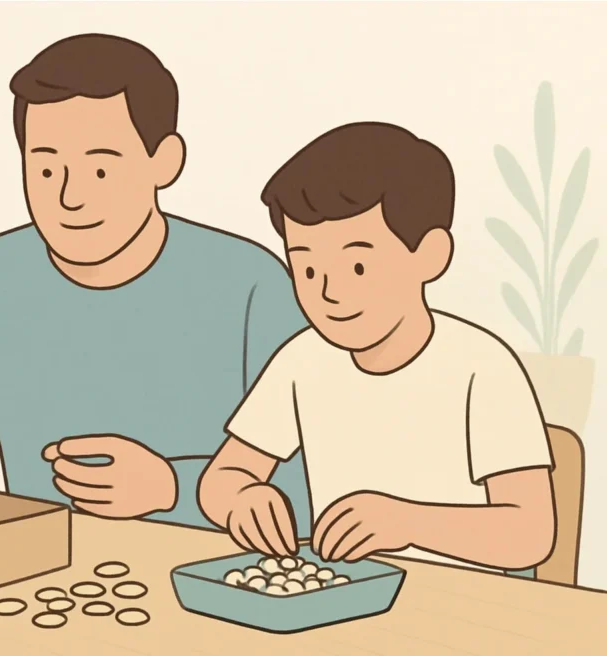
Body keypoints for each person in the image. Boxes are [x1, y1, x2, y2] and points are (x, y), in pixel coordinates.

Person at [0, 33, 310, 530]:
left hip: (213, 582)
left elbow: (313, 487)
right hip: (40, 576)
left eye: (101, 169)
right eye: (44, 169)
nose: (69, 197)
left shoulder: (251, 287)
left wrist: (173, 488)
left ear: (165, 161)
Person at [199, 122, 556, 572]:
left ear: (429, 255)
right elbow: (220, 479)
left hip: (462, 609)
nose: (329, 292)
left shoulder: (481, 369)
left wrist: (409, 522)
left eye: (359, 267)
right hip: (343, 598)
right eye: (307, 270)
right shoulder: (302, 359)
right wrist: (242, 497)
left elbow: (531, 534)